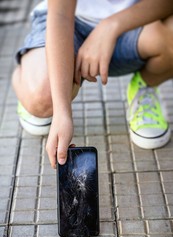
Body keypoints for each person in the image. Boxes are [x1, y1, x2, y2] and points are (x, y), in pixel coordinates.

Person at [12, 0, 173, 168]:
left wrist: (110, 26)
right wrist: (62, 111)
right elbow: (60, 15)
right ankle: (28, 75)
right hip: (70, 22)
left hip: (136, 21)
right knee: (43, 97)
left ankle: (145, 84)